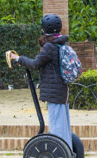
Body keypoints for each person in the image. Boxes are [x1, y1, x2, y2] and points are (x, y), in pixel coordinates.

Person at [9, 14, 73, 149]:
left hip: (54, 92)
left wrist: (18, 58)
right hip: (61, 90)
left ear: (44, 29)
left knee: (57, 126)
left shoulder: (50, 47)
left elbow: (35, 64)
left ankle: (61, 154)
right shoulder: (60, 43)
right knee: (63, 125)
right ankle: (68, 152)